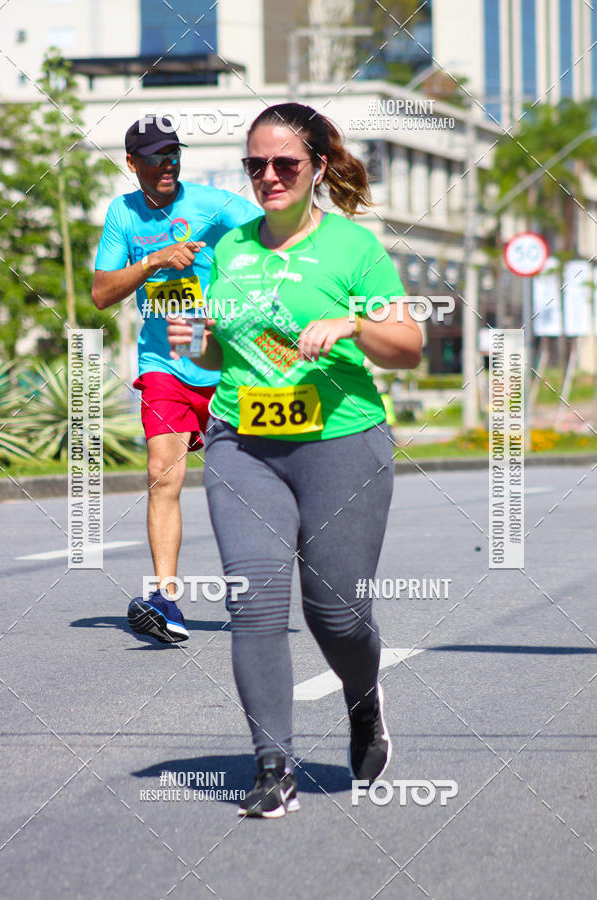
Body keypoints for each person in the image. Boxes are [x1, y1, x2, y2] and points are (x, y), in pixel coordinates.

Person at [167, 102, 422, 817]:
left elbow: (408, 346)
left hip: (341, 440)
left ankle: (364, 701)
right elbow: (219, 353)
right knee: (253, 600)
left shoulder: (353, 249)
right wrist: (196, 341)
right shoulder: (232, 250)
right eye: (256, 165)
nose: (269, 176)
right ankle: (271, 765)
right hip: (242, 442)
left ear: (316, 169)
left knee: (337, 614)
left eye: (285, 164)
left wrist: (354, 321)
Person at [92, 116, 259, 644]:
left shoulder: (211, 205)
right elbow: (101, 293)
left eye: (173, 154)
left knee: (243, 485)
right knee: (162, 472)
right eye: (156, 155)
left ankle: (250, 585)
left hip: (222, 360)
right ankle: (166, 601)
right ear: (132, 162)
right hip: (164, 366)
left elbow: (275, 232)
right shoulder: (123, 214)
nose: (168, 164)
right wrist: (155, 259)